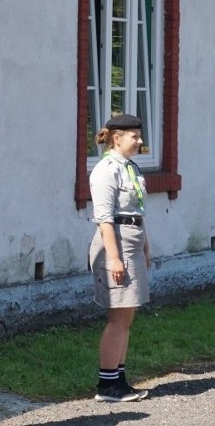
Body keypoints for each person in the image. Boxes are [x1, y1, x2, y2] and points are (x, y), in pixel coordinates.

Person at [89, 113, 151, 402]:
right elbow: (104, 219)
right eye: (134, 136)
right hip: (116, 244)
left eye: (139, 136)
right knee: (118, 317)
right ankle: (107, 385)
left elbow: (137, 209)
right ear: (117, 138)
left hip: (132, 241)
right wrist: (114, 259)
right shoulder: (106, 170)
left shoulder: (131, 168)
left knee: (127, 315)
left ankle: (120, 379)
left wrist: (145, 244)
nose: (140, 141)